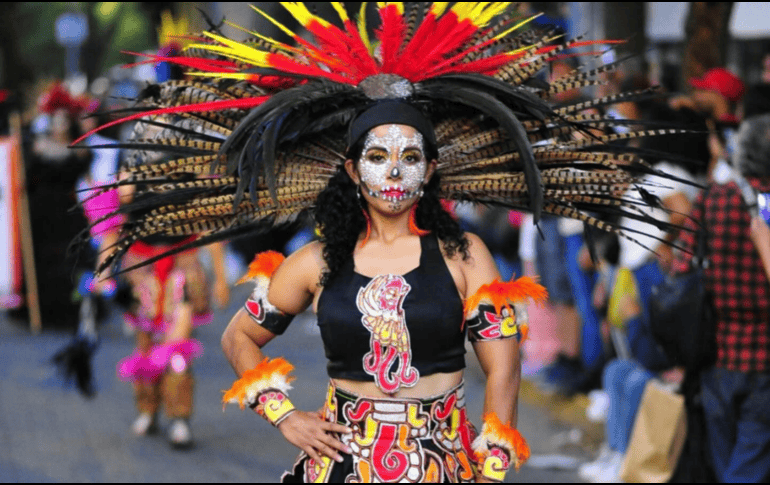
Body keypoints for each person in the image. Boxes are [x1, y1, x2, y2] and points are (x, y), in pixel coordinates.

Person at [77, 3, 696, 481]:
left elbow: (502, 366)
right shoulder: (318, 262)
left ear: (431, 170)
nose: (393, 172)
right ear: (352, 170)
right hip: (340, 462)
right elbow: (240, 334)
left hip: (443, 461)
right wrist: (282, 415)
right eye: (377, 156)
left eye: (409, 157)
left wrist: (496, 447)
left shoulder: (464, 257)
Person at [673, 113, 770, 483]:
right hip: (764, 356)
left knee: (725, 454)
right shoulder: (767, 205)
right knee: (751, 458)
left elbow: (681, 269)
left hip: (718, 351)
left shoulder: (714, 200)